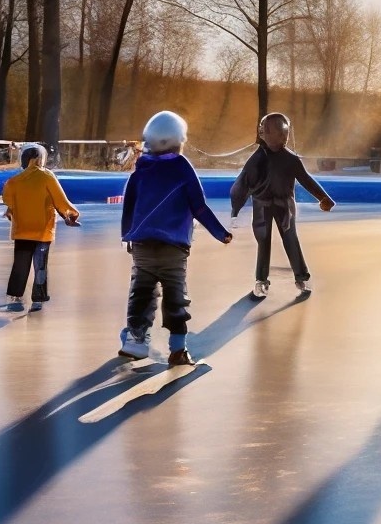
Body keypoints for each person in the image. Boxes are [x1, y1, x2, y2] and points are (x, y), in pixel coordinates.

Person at [119, 111, 232, 366]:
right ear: (178, 140)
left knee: (142, 292)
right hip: (174, 247)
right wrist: (219, 232)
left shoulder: (142, 169)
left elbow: (129, 205)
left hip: (143, 246)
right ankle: (178, 349)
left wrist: (127, 235)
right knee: (175, 295)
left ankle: (136, 339)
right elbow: (198, 206)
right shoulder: (182, 167)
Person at [230, 113, 335, 298]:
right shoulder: (257, 159)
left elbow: (305, 179)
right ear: (264, 134)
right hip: (262, 206)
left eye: (283, 132)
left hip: (284, 206)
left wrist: (322, 197)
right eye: (275, 132)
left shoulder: (290, 159)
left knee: (290, 239)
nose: (282, 136)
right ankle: (261, 280)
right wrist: (235, 209)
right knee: (263, 242)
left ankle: (301, 277)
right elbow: (242, 183)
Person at [1, 143, 81, 312]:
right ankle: (38, 298)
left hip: (22, 231)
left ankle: (15, 296)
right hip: (42, 232)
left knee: (20, 265)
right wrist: (71, 214)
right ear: (40, 159)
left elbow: (8, 201)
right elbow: (60, 200)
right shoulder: (47, 177)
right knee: (40, 265)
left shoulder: (14, 181)